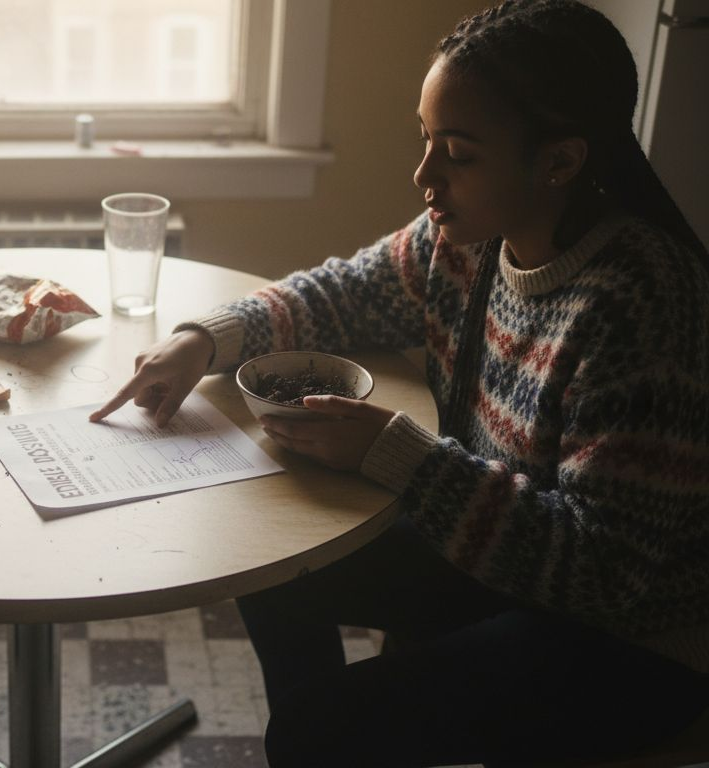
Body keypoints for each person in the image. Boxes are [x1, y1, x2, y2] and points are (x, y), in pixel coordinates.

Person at [91, 1, 709, 765]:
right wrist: (201, 341)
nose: (424, 176)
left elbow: (605, 574)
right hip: (509, 561)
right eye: (426, 140)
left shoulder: (637, 305)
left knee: (320, 731)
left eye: (459, 153)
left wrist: (398, 454)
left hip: (634, 637)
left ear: (561, 160)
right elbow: (340, 294)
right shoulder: (471, 239)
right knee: (267, 550)